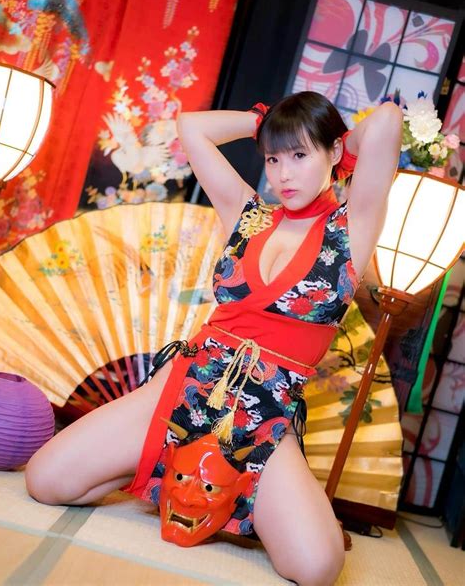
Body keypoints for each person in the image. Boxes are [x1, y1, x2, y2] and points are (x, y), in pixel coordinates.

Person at [26, 91, 402, 585]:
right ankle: (158, 467)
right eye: (273, 158)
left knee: (317, 568)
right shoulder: (249, 213)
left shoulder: (352, 226)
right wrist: (264, 124)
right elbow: (192, 127)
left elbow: (388, 120)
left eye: (299, 155)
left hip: (264, 415)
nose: (283, 174)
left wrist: (335, 146)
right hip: (185, 387)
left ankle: (224, 490)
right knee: (45, 481)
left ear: (334, 151)